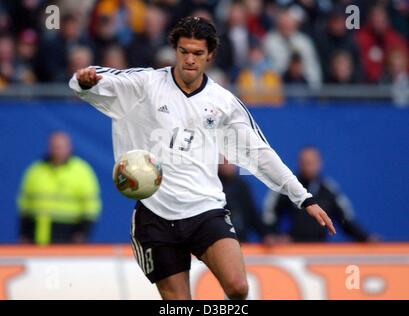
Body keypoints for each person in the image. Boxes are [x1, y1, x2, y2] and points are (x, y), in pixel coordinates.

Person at [69, 16, 335, 300]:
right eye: (184, 51)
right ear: (175, 51)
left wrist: (303, 198)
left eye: (197, 53)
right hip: (155, 215)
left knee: (238, 287)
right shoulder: (145, 85)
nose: (190, 59)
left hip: (205, 210)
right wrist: (84, 82)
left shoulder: (223, 103)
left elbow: (259, 154)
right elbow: (90, 81)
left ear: (210, 55)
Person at [263, 146, 375, 243]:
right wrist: (271, 234)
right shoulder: (288, 186)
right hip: (293, 247)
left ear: (319, 163)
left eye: (312, 163)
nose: (308, 167)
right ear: (299, 163)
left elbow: (345, 218)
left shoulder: (329, 189)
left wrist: (364, 237)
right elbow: (270, 213)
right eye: (305, 163)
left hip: (319, 247)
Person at [17, 132, 101, 245]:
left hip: (68, 236)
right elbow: (24, 206)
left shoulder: (82, 172)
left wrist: (82, 233)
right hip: (37, 237)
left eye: (60, 147)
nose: (57, 151)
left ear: (69, 148)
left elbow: (91, 207)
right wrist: (24, 233)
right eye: (54, 147)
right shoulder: (35, 171)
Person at [218, 161, 275, 245]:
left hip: (241, 239)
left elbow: (251, 212)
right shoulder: (212, 187)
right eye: (225, 162)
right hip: (219, 240)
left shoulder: (241, 185)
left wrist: (265, 234)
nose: (229, 165)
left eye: (231, 161)